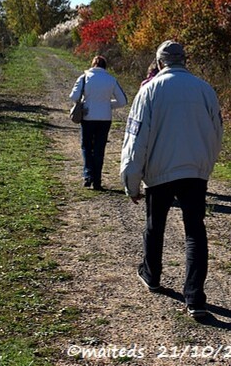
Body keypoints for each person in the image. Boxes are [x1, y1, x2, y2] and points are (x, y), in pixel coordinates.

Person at [120, 40, 223, 318]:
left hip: (159, 172)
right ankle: (194, 297)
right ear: (184, 60)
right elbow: (216, 133)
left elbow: (135, 138)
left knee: (155, 226)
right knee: (195, 232)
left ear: (160, 61)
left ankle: (151, 275)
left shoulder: (149, 91)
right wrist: (205, 166)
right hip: (194, 172)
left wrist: (131, 180)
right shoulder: (205, 90)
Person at [69, 55, 128, 190]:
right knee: (99, 149)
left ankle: (88, 174)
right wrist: (107, 104)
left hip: (88, 117)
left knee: (87, 147)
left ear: (93, 64)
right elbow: (123, 101)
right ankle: (98, 181)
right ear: (105, 66)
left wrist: (86, 101)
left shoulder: (84, 77)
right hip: (105, 118)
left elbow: (74, 96)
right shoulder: (111, 80)